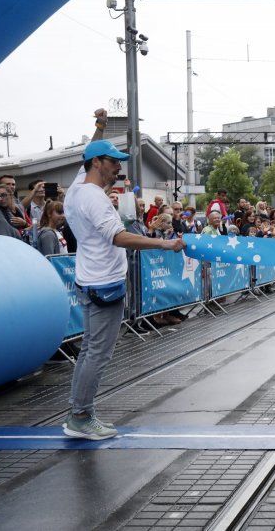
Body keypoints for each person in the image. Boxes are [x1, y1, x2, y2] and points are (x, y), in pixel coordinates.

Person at [63, 139, 185, 440]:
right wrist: (164, 243)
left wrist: (101, 128)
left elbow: (84, 157)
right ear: (96, 163)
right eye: (113, 161)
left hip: (91, 280)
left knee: (91, 350)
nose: (118, 167)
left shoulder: (77, 188)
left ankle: (79, 413)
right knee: (97, 354)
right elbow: (118, 237)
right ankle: (80, 416)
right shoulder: (94, 198)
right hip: (104, 284)